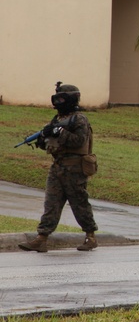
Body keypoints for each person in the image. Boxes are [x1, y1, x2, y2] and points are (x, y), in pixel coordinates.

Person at [18, 82, 99, 253]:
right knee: (51, 203)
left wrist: (60, 132)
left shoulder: (79, 119)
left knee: (79, 203)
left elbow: (79, 141)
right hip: (57, 168)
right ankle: (41, 239)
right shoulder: (58, 120)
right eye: (57, 98)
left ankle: (90, 237)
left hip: (75, 169)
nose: (59, 102)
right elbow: (48, 143)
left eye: (62, 98)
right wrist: (44, 137)